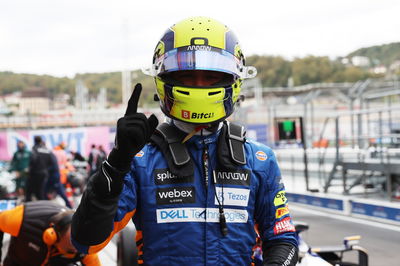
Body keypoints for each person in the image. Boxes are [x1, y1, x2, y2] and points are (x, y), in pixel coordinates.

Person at [72, 16, 298, 265]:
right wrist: (115, 165)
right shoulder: (140, 161)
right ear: (164, 79)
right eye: (187, 76)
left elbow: (282, 239)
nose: (199, 85)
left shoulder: (259, 160)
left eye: (211, 76)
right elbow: (86, 242)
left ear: (233, 80)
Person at [0, 200, 100, 265]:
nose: (77, 249)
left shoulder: (84, 246)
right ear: (53, 235)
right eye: (71, 248)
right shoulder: (21, 219)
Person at [25, 136, 56, 202]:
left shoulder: (35, 149)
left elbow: (33, 160)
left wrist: (29, 169)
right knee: (40, 191)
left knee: (29, 191)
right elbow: (52, 162)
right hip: (44, 173)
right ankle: (42, 206)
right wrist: (45, 168)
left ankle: (28, 207)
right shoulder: (47, 150)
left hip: (34, 173)